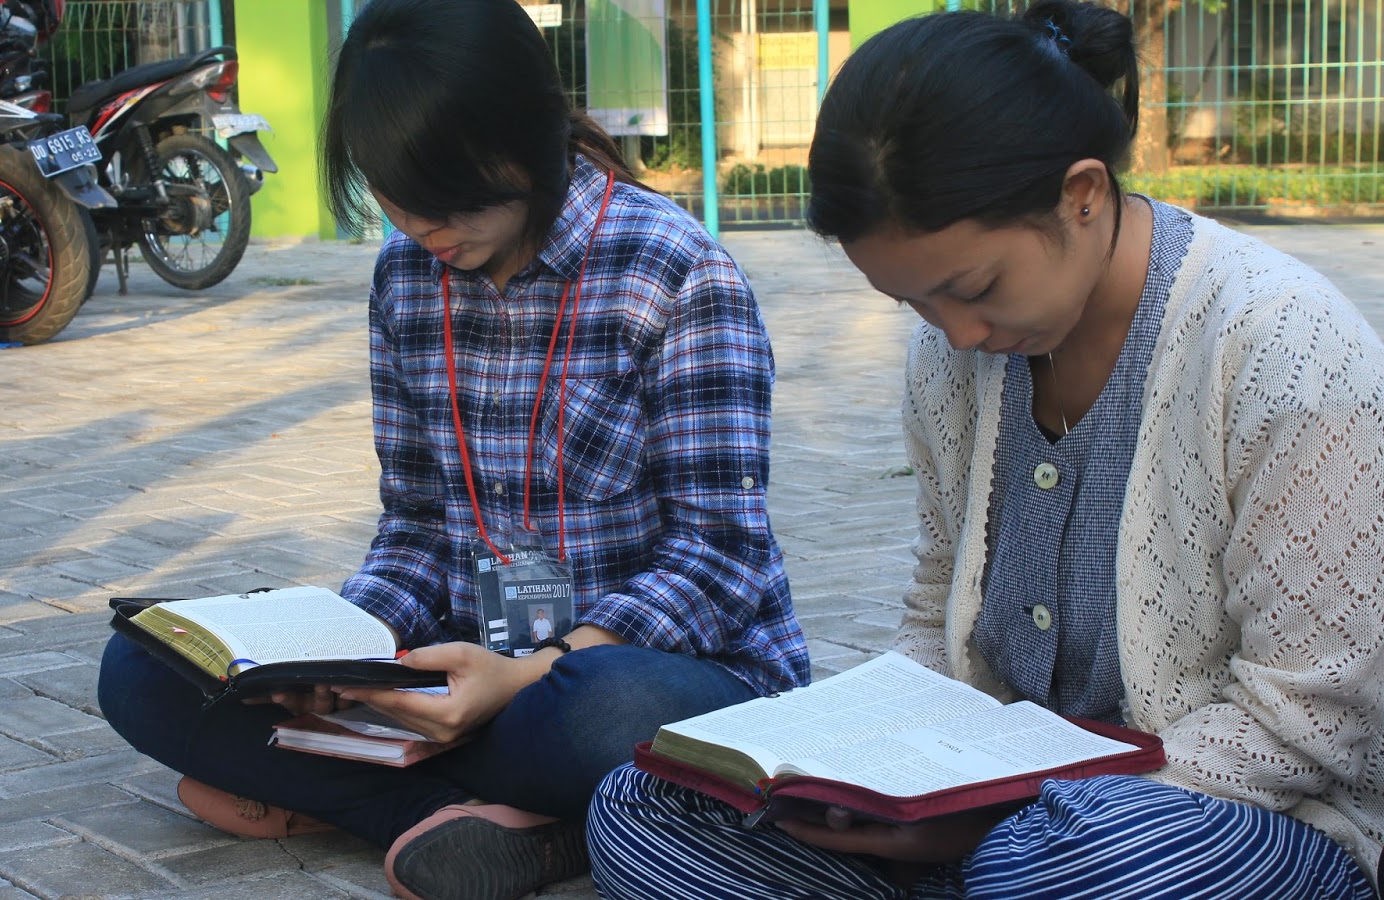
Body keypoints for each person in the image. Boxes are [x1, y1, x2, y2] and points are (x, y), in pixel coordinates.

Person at [586, 1, 1384, 897]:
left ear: (1083, 195)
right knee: (640, 807)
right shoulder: (950, 359)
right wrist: (856, 769)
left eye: (975, 288)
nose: (958, 334)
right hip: (987, 818)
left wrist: (1005, 814)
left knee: (1050, 861)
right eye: (915, 304)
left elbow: (1307, 722)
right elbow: (939, 615)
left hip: (1223, 821)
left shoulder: (1283, 351)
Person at [95, 0, 809, 897]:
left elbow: (720, 557)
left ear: (531, 138)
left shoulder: (676, 273)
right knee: (147, 670)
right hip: (459, 680)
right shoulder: (405, 277)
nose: (427, 227)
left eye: (454, 194)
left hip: (647, 673)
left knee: (604, 713)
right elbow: (417, 526)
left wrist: (528, 676)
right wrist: (346, 655)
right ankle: (479, 819)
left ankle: (356, 792)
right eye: (398, 195)